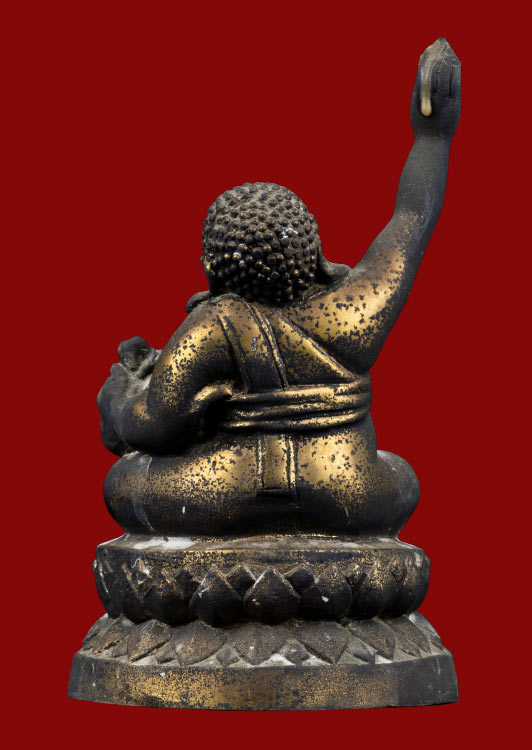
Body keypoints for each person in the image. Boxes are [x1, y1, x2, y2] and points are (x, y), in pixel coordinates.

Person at [99, 38, 461, 537]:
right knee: (400, 474)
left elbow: (154, 426)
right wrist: (434, 136)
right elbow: (412, 218)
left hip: (225, 492)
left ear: (212, 268)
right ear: (314, 252)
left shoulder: (213, 325)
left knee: (124, 481)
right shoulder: (357, 305)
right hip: (349, 493)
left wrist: (117, 396)